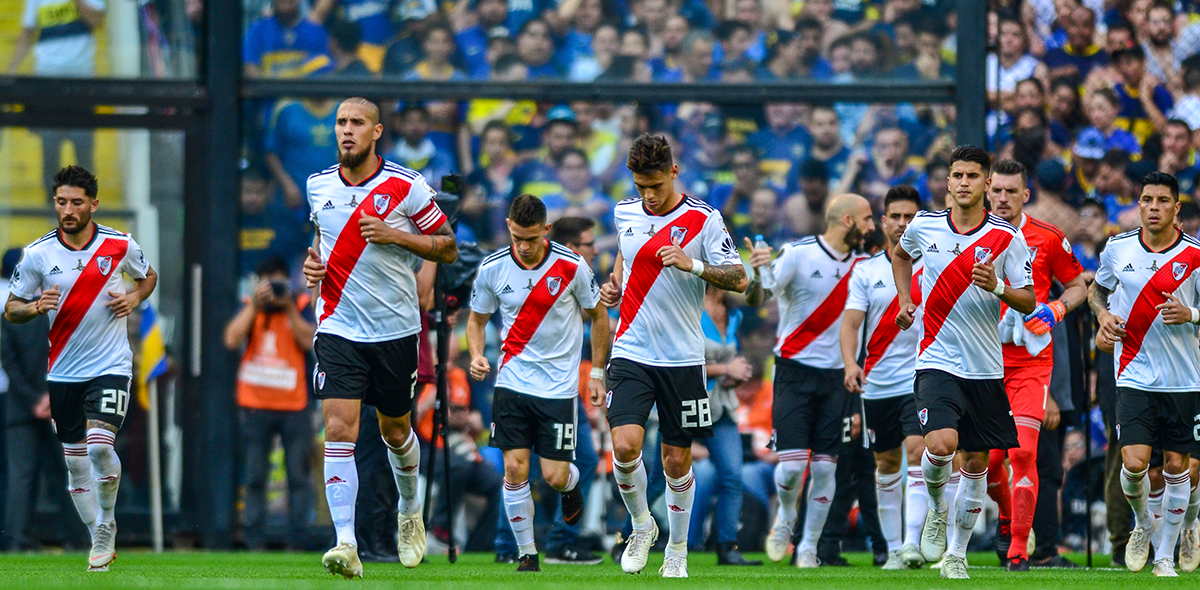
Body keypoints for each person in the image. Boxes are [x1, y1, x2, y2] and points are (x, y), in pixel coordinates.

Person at [301, 97, 458, 578]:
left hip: (395, 330)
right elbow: (320, 243)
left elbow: (447, 246)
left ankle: (410, 511)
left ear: (376, 132)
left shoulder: (406, 186)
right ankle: (345, 543)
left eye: (356, 123)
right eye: (341, 123)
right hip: (338, 326)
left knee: (395, 431)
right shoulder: (317, 185)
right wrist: (312, 264)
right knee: (341, 429)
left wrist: (398, 237)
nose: (346, 131)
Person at [598, 134, 747, 578]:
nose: (648, 194)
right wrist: (614, 286)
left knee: (676, 460)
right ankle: (642, 525)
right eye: (641, 185)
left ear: (674, 173)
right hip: (631, 350)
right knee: (624, 446)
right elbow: (625, 265)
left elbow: (739, 278)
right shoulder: (624, 212)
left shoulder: (704, 219)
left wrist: (694, 265)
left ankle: (677, 549)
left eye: (656, 186)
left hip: (683, 358)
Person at [891, 145, 1035, 580]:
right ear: (948, 181)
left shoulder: (1007, 236)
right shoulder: (924, 224)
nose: (964, 183)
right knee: (939, 445)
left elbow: (1028, 301)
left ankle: (956, 552)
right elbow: (900, 255)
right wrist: (904, 298)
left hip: (986, 368)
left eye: (973, 175)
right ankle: (937, 508)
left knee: (974, 463)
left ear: (987, 183)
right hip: (935, 358)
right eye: (957, 175)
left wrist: (998, 288)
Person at [5, 165, 158, 571]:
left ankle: (107, 523)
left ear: (93, 203)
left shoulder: (119, 244)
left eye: (76, 202)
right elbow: (11, 309)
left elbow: (148, 276)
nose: (68, 210)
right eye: (61, 202)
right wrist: (37, 305)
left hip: (110, 365)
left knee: (99, 446)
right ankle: (98, 536)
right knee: (75, 462)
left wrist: (134, 297)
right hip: (63, 372)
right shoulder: (38, 254)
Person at [466, 195, 610, 572]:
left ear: (546, 230)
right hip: (511, 384)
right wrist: (477, 355)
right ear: (510, 229)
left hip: (558, 390)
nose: (525, 247)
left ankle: (572, 482)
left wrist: (596, 371)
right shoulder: (493, 268)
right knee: (514, 471)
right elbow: (477, 320)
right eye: (518, 239)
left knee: (554, 476)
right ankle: (527, 554)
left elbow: (598, 315)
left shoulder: (572, 264)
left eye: (531, 238)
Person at [753, 193, 875, 568]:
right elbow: (759, 297)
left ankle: (808, 546)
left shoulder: (867, 266)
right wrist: (759, 271)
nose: (873, 227)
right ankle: (786, 518)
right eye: (868, 219)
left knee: (825, 468)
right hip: (793, 371)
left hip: (839, 377)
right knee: (790, 467)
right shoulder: (798, 253)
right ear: (848, 221)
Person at [1088, 171, 1200, 577]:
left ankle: (1168, 553)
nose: (1154, 207)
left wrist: (1191, 314)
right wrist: (1103, 315)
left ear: (1176, 208)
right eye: (1147, 200)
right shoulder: (1116, 249)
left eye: (1162, 201)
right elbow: (1096, 291)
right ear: (1138, 205)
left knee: (1178, 467)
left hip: (1185, 378)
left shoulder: (1195, 254)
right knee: (1134, 465)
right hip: (1133, 374)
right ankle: (1142, 524)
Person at [983, 159, 1088, 571]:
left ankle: (1019, 551)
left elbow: (1079, 285)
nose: (1004, 198)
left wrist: (1058, 308)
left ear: (1026, 195)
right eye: (998, 191)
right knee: (987, 464)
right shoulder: (967, 236)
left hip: (1031, 361)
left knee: (1025, 453)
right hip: (984, 360)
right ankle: (1007, 518)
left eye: (1013, 191)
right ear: (987, 191)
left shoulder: (1047, 237)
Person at [839, 186, 927, 570]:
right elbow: (850, 325)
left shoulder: (934, 265)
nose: (903, 224)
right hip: (877, 383)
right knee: (887, 465)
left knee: (919, 454)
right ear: (884, 221)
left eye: (911, 217)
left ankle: (912, 543)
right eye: (897, 217)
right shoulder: (866, 270)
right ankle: (893, 550)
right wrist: (849, 364)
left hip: (922, 377)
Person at [222, 255, 316, 551]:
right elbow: (231, 339)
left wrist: (288, 306)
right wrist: (255, 305)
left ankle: (297, 542)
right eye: (268, 283)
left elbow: (310, 342)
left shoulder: (299, 307)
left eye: (279, 282)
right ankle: (253, 543)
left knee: (298, 478)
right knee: (254, 477)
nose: (274, 288)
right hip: (255, 403)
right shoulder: (251, 307)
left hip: (295, 405)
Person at [691, 282, 761, 566]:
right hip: (687, 403)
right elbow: (681, 362)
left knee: (732, 476)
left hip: (721, 406)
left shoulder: (734, 314)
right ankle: (627, 539)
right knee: (661, 478)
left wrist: (734, 375)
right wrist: (724, 369)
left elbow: (728, 360)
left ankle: (727, 547)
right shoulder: (689, 308)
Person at [9, 0, 102, 198]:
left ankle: (84, 200)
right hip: (47, 79)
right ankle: (51, 202)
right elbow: (28, 31)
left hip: (81, 80)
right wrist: (13, 69)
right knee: (49, 147)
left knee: (83, 145)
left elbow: (96, 21)